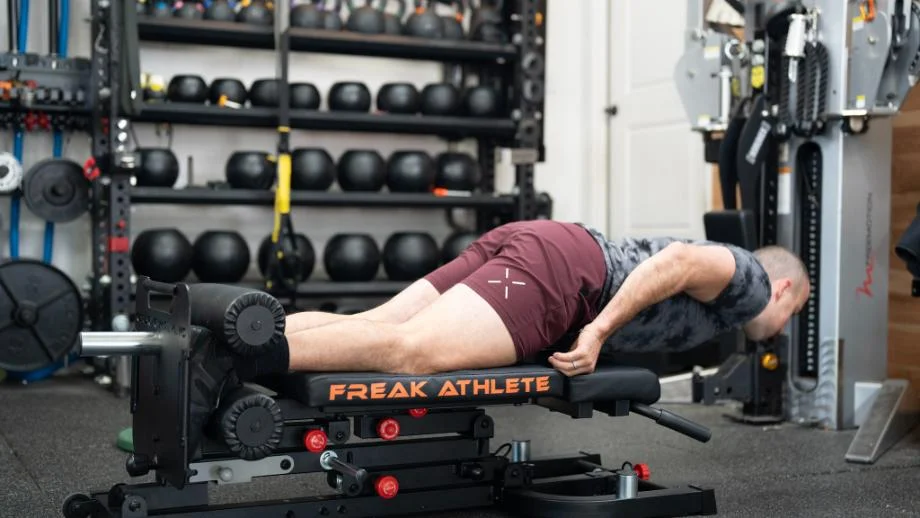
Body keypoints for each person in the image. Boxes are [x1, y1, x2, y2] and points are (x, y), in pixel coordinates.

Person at [187, 219, 809, 449]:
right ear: (783, 292)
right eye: (793, 313)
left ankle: (228, 339)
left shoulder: (728, 311)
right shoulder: (752, 280)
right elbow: (674, 260)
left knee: (379, 326)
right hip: (569, 274)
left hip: (541, 243)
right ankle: (232, 359)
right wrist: (595, 333)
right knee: (411, 355)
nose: (780, 331)